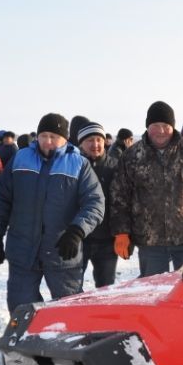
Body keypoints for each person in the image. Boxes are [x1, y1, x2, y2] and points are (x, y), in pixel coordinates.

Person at [0, 113, 104, 310]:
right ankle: (27, 341)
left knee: (69, 308)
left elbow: (95, 203)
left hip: (62, 251)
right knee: (21, 308)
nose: (47, 141)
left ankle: (69, 341)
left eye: (54, 137)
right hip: (23, 251)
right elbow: (2, 200)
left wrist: (77, 231)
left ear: (65, 139)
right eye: (43, 136)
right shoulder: (20, 159)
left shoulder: (78, 164)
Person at [110, 101, 183, 276]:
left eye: (165, 126)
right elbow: (120, 196)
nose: (161, 131)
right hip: (150, 241)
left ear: (173, 126)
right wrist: (121, 231)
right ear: (147, 126)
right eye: (155, 125)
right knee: (153, 292)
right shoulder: (131, 156)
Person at [70, 118, 118, 288]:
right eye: (90, 140)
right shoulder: (73, 166)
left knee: (106, 287)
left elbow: (123, 203)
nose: (95, 144)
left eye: (99, 139)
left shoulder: (116, 167)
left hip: (107, 240)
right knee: (72, 286)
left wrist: (124, 233)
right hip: (79, 238)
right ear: (81, 143)